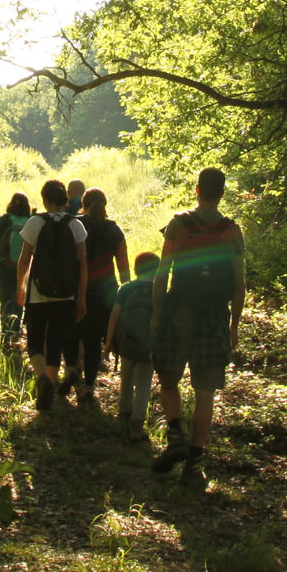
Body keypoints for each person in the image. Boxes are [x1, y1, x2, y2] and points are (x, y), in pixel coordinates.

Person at [150, 167, 245, 473]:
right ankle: (195, 458)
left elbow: (162, 274)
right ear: (222, 193)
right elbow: (239, 285)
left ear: (197, 190)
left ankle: (175, 434)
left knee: (168, 378)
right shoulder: (231, 231)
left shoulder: (178, 224)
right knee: (205, 391)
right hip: (215, 313)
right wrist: (233, 326)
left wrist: (156, 313)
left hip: (179, 308)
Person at [14, 179, 87, 411]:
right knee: (55, 341)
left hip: (38, 293)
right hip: (66, 295)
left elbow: (24, 260)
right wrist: (81, 297)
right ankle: (51, 386)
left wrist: (20, 287)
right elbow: (82, 265)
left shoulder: (35, 222)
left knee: (35, 340)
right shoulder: (75, 225)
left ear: (45, 200)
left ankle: (42, 378)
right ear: (65, 199)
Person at [66, 188, 130, 407]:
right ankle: (89, 386)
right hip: (105, 292)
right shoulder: (114, 230)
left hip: (76, 289)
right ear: (105, 204)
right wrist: (126, 291)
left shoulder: (74, 225)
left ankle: (72, 368)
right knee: (93, 341)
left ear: (83, 203)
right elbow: (123, 266)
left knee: (72, 333)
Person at [106, 252, 160, 435]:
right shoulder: (159, 292)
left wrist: (109, 342)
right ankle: (138, 421)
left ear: (136, 269)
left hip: (127, 343)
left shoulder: (126, 289)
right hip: (149, 346)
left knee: (126, 379)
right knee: (144, 383)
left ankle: (124, 412)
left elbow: (115, 315)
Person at [0, 193, 30, 353]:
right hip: (22, 267)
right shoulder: (31, 222)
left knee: (6, 300)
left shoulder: (3, 220)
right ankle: (15, 336)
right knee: (19, 299)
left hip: (1, 267)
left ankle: (6, 337)